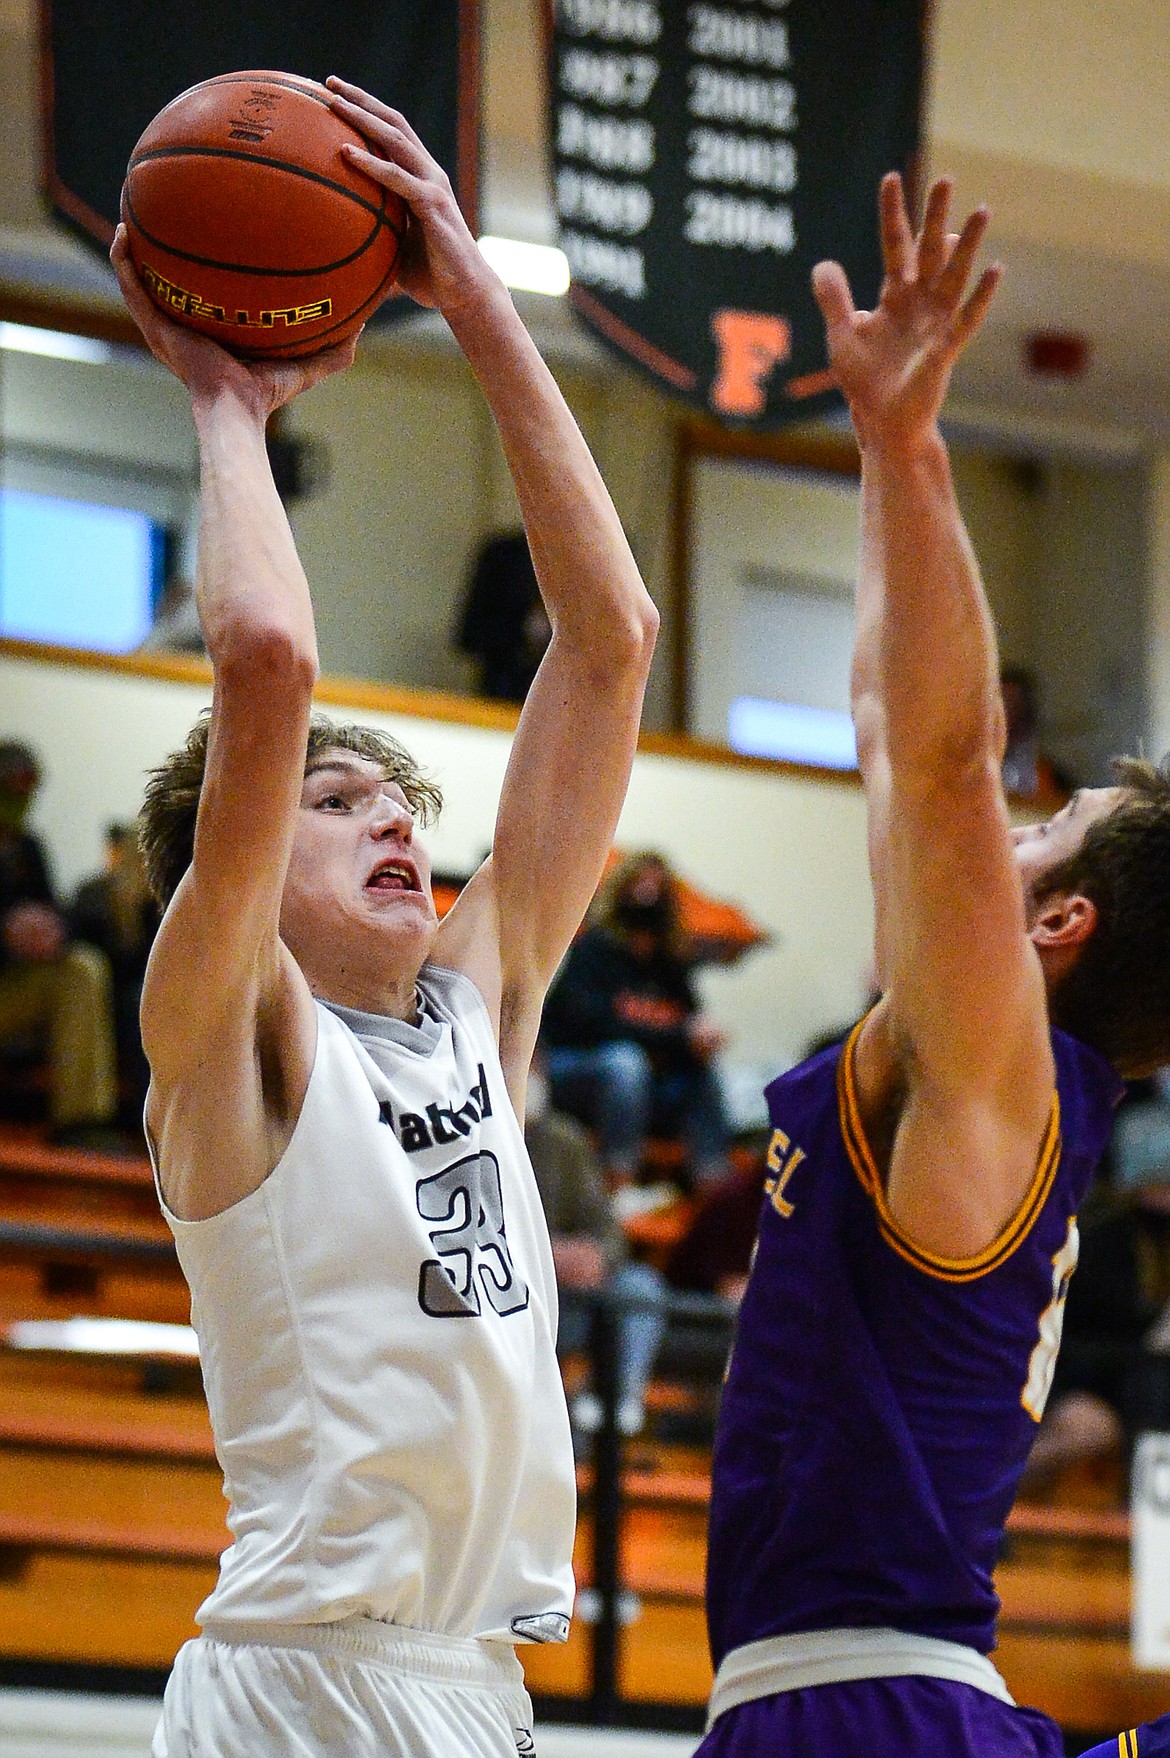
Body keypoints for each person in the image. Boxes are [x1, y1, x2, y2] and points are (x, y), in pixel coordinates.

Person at [111, 80, 657, 1758]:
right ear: (240, 862)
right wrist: (224, 400)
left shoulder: (475, 1015)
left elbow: (613, 636)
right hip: (303, 1678)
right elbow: (268, 664)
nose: (397, 827)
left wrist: (474, 294)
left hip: (475, 1679)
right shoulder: (234, 1034)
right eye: (333, 805)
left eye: (401, 801)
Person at [697, 174, 1170, 1758]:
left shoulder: (998, 1078)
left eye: (1052, 829)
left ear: (1055, 925)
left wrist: (909, 445)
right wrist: (879, 453)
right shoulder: (979, 1074)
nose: (1007, 826)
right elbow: (903, 736)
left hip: (870, 1714)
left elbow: (949, 756)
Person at [541, 851, 730, 1188]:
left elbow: (687, 1023)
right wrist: (679, 1036)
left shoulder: (670, 962)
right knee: (626, 1062)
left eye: (657, 888)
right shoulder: (594, 949)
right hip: (574, 1069)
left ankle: (714, 1190)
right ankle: (619, 1182)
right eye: (640, 885)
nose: (647, 896)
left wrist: (701, 1039)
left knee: (703, 1074)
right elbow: (590, 1025)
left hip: (642, 1084)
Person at [524, 1054, 667, 1437]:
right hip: (505, 1299)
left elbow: (609, 1233)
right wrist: (542, 1254)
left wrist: (595, 1256)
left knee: (640, 1286)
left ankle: (616, 1399)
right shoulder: (466, 1135)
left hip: (569, 1300)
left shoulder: (562, 1140)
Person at [0, 739, 119, 1145]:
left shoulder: (28, 850)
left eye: (27, 789)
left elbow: (58, 915)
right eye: (11, 788)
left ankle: (83, 1121)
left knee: (82, 967)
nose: (20, 799)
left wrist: (52, 932)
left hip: (16, 988)